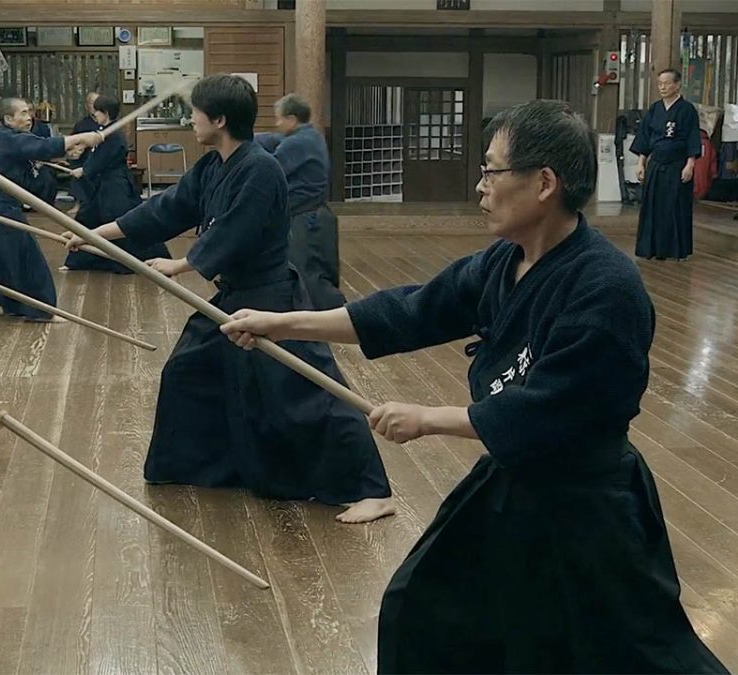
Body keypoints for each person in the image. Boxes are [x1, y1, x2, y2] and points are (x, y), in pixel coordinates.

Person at [220, 100, 727, 672]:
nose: (481, 185)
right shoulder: (503, 263)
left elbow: (547, 409)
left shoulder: (606, 288)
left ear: (543, 183)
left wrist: (428, 418)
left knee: (629, 655)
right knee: (419, 608)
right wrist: (279, 322)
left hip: (588, 505)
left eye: (491, 170)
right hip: (514, 482)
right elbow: (410, 310)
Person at [65, 74, 394, 524]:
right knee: (187, 371)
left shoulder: (260, 169)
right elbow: (167, 208)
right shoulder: (213, 165)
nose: (190, 120)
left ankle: (372, 489)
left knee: (305, 393)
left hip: (272, 298)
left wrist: (182, 265)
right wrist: (96, 235)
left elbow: (236, 231)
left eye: (196, 113)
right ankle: (204, 468)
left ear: (217, 119)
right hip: (233, 296)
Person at [0, 96, 101, 318]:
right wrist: (82, 136)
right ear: (8, 118)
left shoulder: (17, 138)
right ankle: (41, 310)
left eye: (29, 112)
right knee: (25, 257)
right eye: (24, 113)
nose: (29, 117)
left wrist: (66, 152)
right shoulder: (6, 137)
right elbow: (39, 147)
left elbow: (36, 152)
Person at [255, 93, 345, 309]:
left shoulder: (296, 144)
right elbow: (272, 139)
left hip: (305, 218)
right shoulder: (311, 136)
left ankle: (335, 319)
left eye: (279, 119)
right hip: (316, 216)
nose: (277, 124)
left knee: (306, 274)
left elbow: (270, 171)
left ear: (292, 119)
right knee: (315, 269)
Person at [61, 94, 169, 273]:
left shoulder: (113, 134)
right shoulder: (106, 131)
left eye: (96, 111)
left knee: (123, 222)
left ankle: (135, 261)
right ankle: (77, 262)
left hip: (115, 187)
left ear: (105, 112)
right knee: (88, 220)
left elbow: (103, 159)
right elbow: (96, 157)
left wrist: (84, 170)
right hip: (102, 186)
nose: (94, 114)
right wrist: (84, 167)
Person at [631, 68, 701, 261]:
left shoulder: (687, 110)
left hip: (677, 165)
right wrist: (640, 164)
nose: (662, 87)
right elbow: (644, 138)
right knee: (651, 206)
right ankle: (651, 249)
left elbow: (693, 138)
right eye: (660, 83)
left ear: (677, 84)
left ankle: (677, 250)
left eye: (667, 83)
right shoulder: (654, 109)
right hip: (656, 163)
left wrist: (690, 164)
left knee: (676, 206)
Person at [68, 91, 101, 214]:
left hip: (101, 158)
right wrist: (75, 151)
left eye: (96, 103)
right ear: (87, 106)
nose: (94, 106)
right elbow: (73, 143)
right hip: (85, 158)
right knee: (77, 167)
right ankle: (78, 203)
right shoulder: (82, 124)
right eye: (91, 103)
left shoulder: (107, 122)